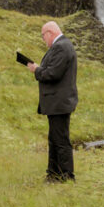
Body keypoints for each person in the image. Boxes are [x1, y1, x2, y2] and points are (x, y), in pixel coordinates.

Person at [27, 21, 78, 182]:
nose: (44, 40)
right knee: (55, 138)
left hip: (59, 103)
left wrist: (36, 70)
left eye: (43, 36)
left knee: (61, 140)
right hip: (57, 103)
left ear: (49, 33)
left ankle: (66, 175)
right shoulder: (62, 46)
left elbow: (53, 73)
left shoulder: (61, 47)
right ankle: (54, 173)